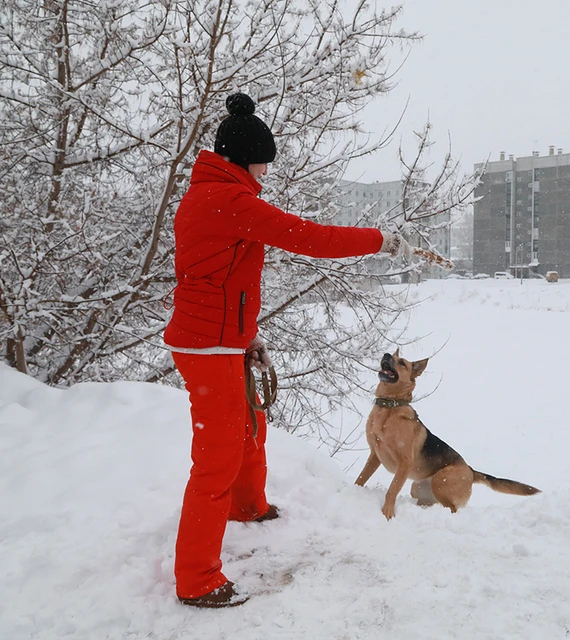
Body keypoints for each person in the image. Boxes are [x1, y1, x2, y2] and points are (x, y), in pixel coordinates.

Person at [163, 92, 410, 608]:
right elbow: (309, 237)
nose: (266, 172)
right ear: (246, 158)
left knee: (251, 426)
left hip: (222, 340)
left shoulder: (216, 194)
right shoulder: (226, 199)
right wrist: (380, 239)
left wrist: (246, 335)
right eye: (264, 162)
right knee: (217, 457)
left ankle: (248, 507)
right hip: (208, 347)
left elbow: (217, 277)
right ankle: (197, 579)